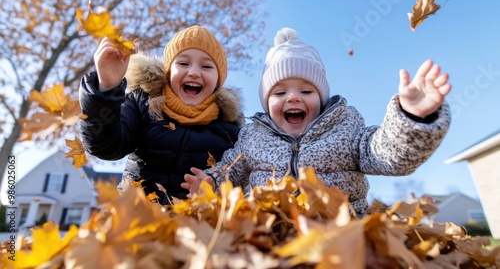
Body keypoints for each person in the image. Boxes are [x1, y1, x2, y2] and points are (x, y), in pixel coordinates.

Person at [182, 27, 452, 216]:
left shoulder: (346, 128)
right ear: (266, 101)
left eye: (306, 91)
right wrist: (211, 182)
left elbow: (387, 154)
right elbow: (233, 170)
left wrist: (411, 117)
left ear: (321, 97)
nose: (293, 99)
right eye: (279, 92)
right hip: (268, 226)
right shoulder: (254, 136)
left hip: (340, 229)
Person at [79, 25, 244, 204]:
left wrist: (215, 185)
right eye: (183, 63)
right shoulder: (143, 104)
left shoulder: (229, 129)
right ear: (168, 71)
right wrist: (107, 89)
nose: (194, 72)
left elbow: (238, 178)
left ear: (218, 81)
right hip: (136, 215)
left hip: (193, 223)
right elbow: (106, 147)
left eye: (206, 66)